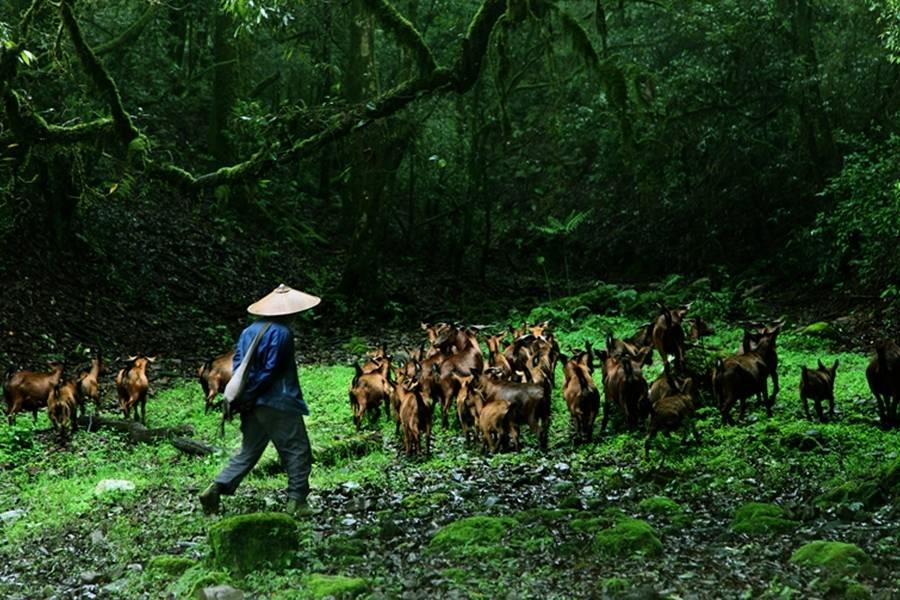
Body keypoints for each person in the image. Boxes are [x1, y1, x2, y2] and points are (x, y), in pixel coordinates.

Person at [199, 283, 320, 517]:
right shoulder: (283, 333)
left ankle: (216, 488)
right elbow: (270, 369)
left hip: (251, 403)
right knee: (297, 449)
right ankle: (297, 501)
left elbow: (238, 365)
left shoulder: (249, 331)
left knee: (249, 450)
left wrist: (245, 399)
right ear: (289, 312)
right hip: (279, 402)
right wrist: (255, 394)